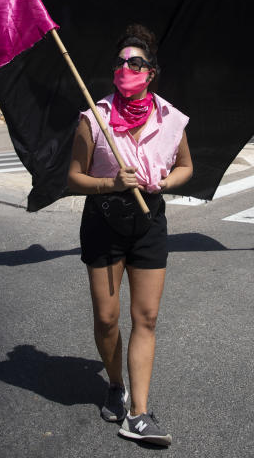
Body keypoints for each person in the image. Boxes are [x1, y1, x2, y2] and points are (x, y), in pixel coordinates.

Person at [67, 24, 193, 447]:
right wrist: (111, 185)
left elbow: (186, 167)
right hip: (103, 222)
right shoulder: (94, 117)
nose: (125, 68)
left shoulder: (171, 119)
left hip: (149, 224)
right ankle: (115, 384)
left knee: (146, 318)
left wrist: (165, 180)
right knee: (107, 318)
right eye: (120, 62)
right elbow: (73, 178)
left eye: (135, 63)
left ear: (150, 72)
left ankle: (138, 413)